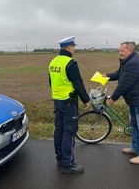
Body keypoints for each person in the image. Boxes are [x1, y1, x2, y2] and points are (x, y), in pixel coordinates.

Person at [103, 41, 139, 165]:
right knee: (135, 125)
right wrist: (107, 76)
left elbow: (125, 83)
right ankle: (136, 148)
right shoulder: (127, 61)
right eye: (119, 50)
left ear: (130, 51)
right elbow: (119, 74)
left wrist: (114, 97)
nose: (119, 52)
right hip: (134, 98)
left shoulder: (133, 63)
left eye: (122, 51)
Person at [48, 36, 90, 174]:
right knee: (69, 131)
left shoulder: (53, 62)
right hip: (68, 102)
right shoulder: (70, 63)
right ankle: (68, 163)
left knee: (59, 130)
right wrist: (85, 100)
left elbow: (51, 82)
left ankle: (60, 159)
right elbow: (78, 83)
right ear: (69, 47)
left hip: (57, 100)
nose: (74, 49)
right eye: (74, 46)